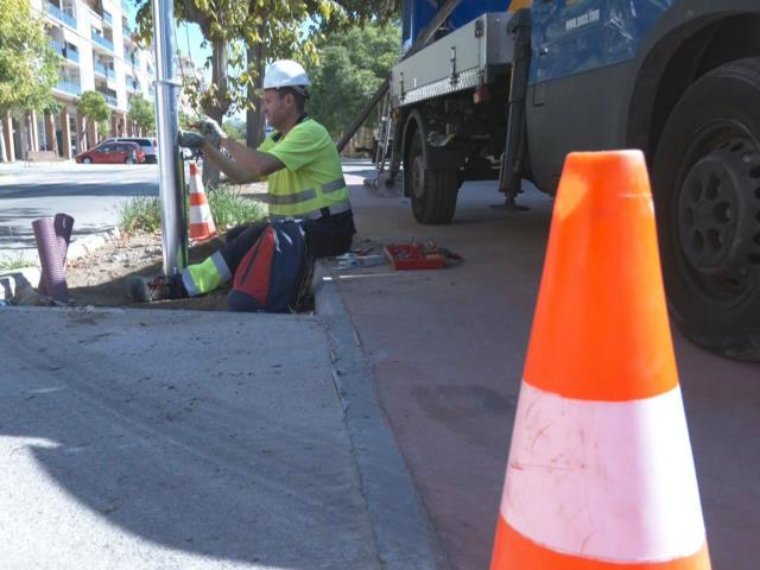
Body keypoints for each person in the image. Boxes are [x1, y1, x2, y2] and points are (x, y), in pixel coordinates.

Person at [130, 59, 355, 302]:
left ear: (288, 101)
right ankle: (234, 279)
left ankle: (175, 287)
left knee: (256, 235)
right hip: (302, 229)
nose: (264, 108)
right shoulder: (280, 139)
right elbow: (241, 175)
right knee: (238, 235)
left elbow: (260, 164)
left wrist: (223, 139)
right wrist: (206, 145)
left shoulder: (310, 132)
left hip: (330, 233)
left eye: (268, 101)